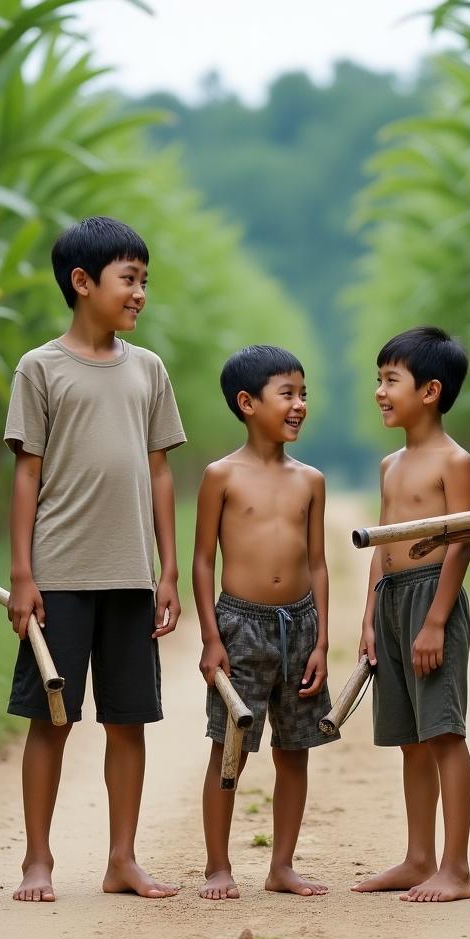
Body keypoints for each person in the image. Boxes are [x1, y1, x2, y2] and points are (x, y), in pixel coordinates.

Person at [4, 216, 185, 903]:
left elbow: (160, 473)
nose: (140, 293)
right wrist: (24, 574)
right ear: (83, 283)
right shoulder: (40, 367)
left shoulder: (149, 369)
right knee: (51, 720)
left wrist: (167, 570)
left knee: (127, 719)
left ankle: (122, 860)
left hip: (132, 577)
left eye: (144, 281)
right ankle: (37, 860)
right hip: (61, 578)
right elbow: (27, 474)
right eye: (128, 279)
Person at [194, 345, 338, 901]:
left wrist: (323, 638)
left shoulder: (311, 481)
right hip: (240, 625)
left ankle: (282, 866)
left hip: (299, 624)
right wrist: (211, 637)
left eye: (304, 394)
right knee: (227, 747)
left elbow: (319, 562)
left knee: (294, 748)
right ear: (247, 403)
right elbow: (202, 560)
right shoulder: (220, 476)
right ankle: (217, 866)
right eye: (288, 394)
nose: (299, 404)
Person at [352, 327, 470, 904]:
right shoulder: (390, 463)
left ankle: (456, 867)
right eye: (379, 380)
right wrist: (370, 614)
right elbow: (384, 543)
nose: (380, 391)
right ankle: (418, 856)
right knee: (409, 741)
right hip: (394, 596)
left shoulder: (455, 461)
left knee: (443, 733)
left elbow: (460, 544)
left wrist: (435, 622)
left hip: (433, 600)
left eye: (390, 381)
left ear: (430, 390)